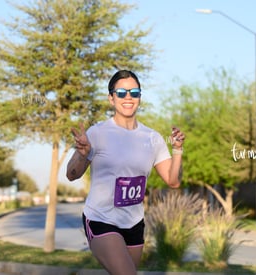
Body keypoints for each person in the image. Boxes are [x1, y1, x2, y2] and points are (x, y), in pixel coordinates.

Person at [66, 70, 185, 275]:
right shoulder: (98, 133)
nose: (128, 97)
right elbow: (71, 174)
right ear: (111, 98)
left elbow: (173, 182)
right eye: (121, 92)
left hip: (134, 223)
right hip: (101, 219)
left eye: (134, 92)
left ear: (140, 97)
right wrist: (82, 153)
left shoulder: (153, 138)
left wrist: (178, 150)